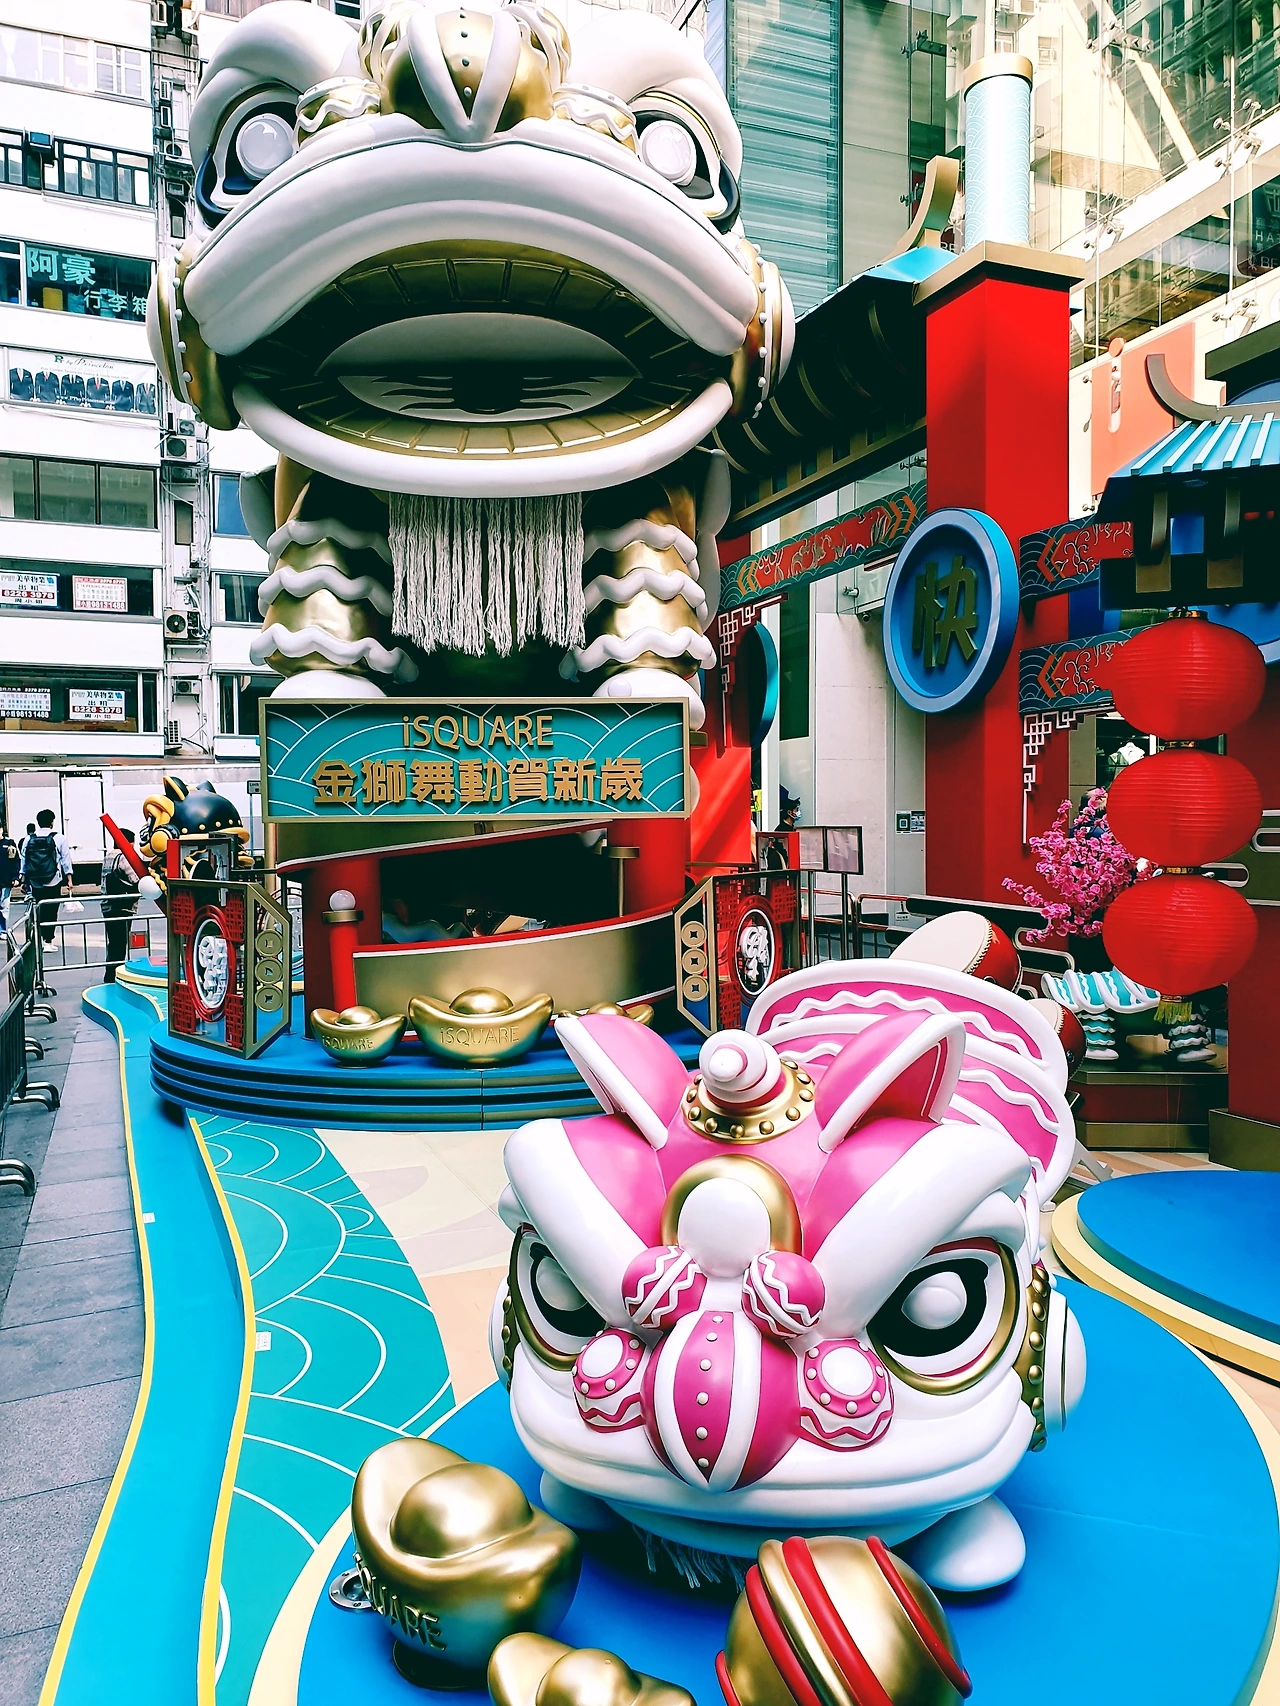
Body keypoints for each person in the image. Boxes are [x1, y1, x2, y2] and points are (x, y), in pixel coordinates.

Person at [21, 809, 73, 946]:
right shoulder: (59, 838)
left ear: (38, 822)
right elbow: (66, 860)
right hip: (53, 880)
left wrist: (23, 879)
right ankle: (48, 940)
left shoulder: (29, 839)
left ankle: (38, 939)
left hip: (35, 881)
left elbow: (24, 859)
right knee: (51, 910)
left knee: (38, 909)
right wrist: (69, 879)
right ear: (52, 822)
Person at [100, 829, 140, 983]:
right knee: (120, 943)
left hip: (108, 904)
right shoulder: (124, 857)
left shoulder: (108, 856)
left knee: (113, 941)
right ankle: (114, 975)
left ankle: (110, 973)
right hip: (122, 906)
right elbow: (135, 879)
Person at [0, 825, 18, 932]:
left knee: (4, 907)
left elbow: (15, 861)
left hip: (5, 881)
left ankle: (3, 930)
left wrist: (15, 877)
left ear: (1, 829)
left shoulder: (9, 844)